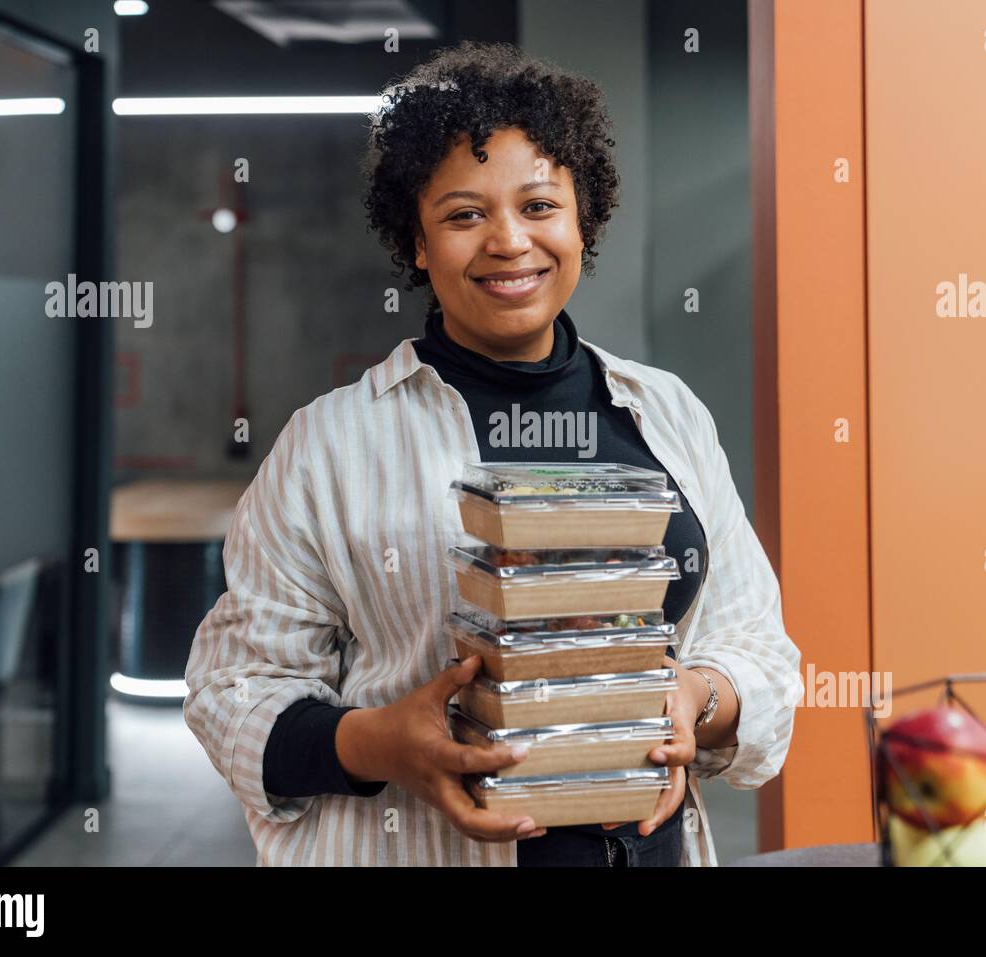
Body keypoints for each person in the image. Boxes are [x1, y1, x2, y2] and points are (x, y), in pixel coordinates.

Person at [184, 40, 802, 866]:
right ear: (416, 241)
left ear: (584, 218)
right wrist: (376, 742)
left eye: (540, 205)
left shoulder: (668, 414)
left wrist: (698, 694)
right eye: (465, 214)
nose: (510, 242)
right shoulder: (327, 444)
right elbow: (232, 695)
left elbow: (759, 650)